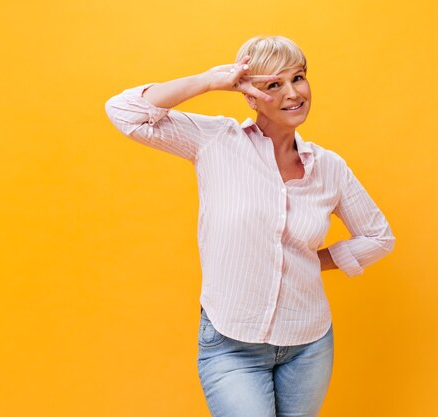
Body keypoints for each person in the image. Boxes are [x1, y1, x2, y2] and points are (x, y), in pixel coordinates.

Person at [105, 35, 395, 417]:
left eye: (299, 77)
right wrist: (209, 81)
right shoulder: (215, 141)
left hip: (308, 343)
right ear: (249, 95)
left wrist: (311, 260)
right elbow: (124, 111)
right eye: (273, 84)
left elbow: (379, 237)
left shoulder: (329, 168)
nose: (294, 93)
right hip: (230, 342)